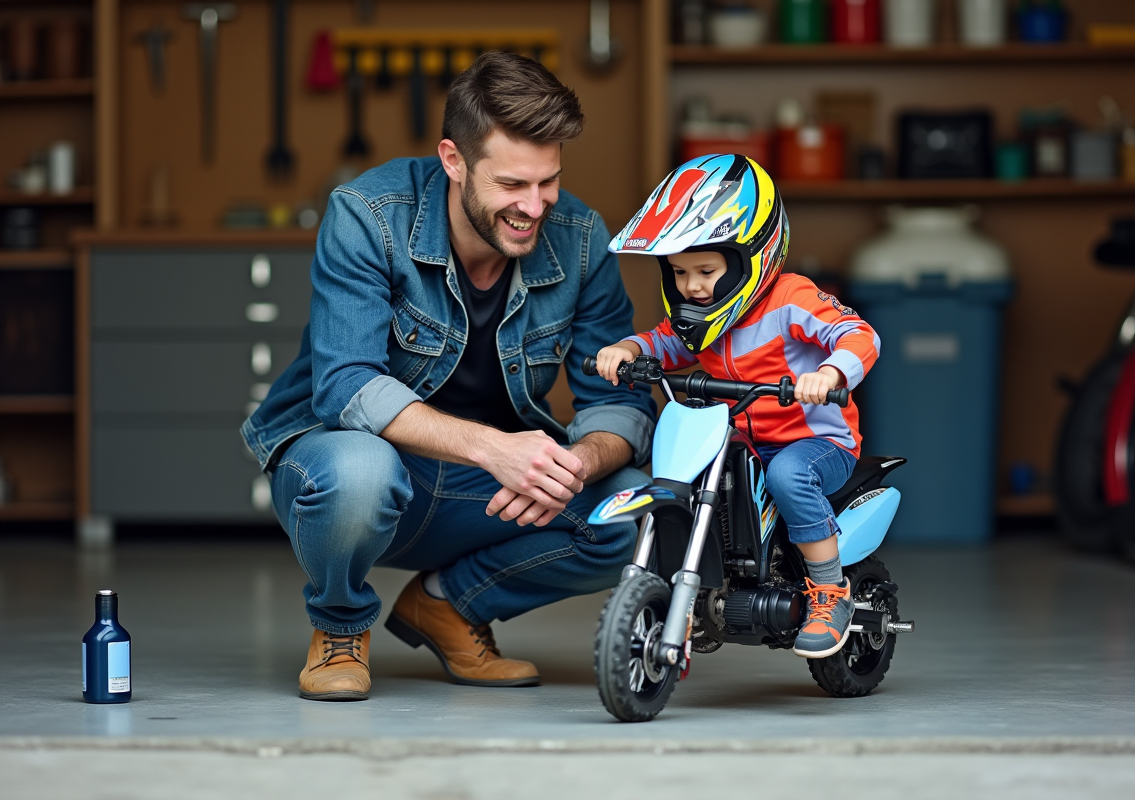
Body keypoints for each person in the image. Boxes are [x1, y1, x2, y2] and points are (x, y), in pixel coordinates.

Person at [241, 52, 656, 701]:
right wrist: (497, 449)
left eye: (548, 182)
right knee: (359, 471)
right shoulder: (367, 214)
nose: (535, 205)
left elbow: (619, 403)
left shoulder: (579, 238)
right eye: (513, 184)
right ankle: (341, 626)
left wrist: (576, 463)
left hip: (486, 488)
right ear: (453, 160)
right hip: (359, 467)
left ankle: (448, 606)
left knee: (629, 512)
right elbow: (346, 386)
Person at [594, 154, 880, 659]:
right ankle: (689, 587)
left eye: (706, 269)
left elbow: (859, 334)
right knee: (687, 473)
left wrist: (829, 373)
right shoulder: (698, 318)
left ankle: (830, 591)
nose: (691, 286)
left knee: (789, 475)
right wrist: (630, 350)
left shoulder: (792, 298)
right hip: (738, 440)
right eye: (678, 272)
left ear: (752, 256)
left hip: (815, 442)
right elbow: (664, 343)